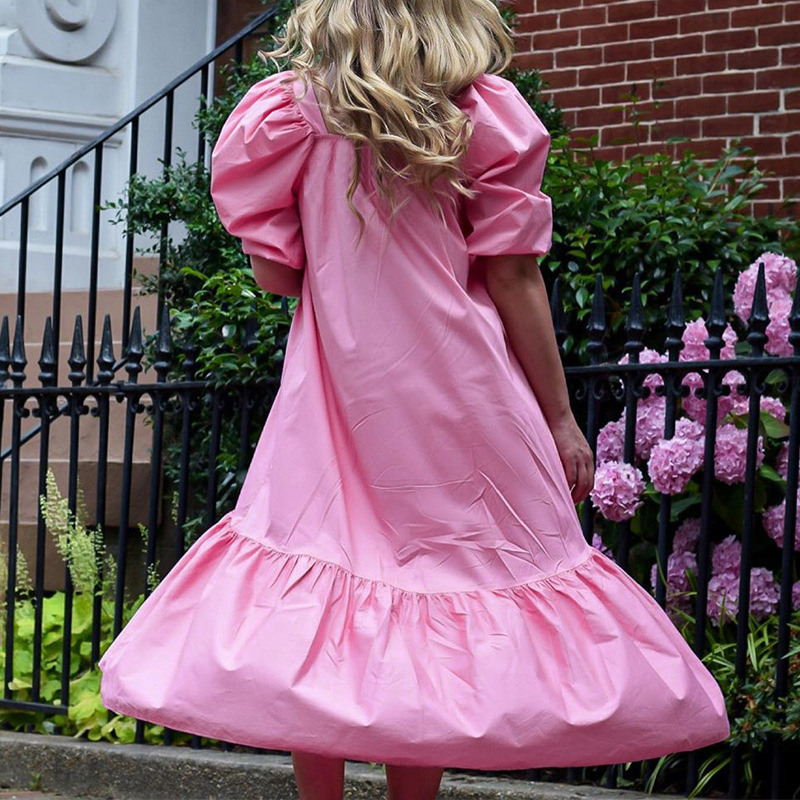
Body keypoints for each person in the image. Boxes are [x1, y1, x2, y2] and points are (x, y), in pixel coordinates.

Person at [98, 0, 731, 797]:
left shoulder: (289, 115)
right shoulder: (479, 113)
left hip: (337, 397)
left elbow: (277, 274)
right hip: (457, 394)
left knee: (316, 593)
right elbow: (513, 273)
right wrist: (559, 417)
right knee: (442, 592)